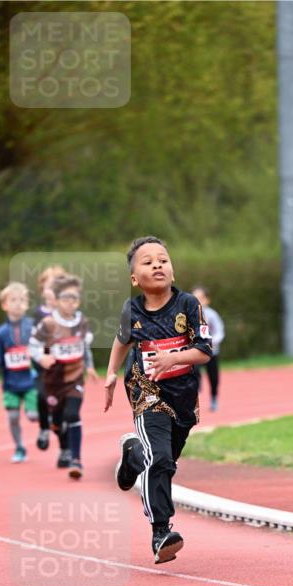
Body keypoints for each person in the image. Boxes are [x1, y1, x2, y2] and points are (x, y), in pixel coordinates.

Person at [104, 236, 213, 564]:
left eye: (163, 260)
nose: (157, 265)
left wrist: (173, 358)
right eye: (148, 262)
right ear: (134, 278)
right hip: (146, 392)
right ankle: (161, 532)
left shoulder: (189, 305)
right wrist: (111, 374)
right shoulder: (132, 310)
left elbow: (204, 351)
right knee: (161, 460)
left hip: (183, 396)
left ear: (173, 271)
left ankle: (132, 456)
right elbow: (122, 340)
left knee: (164, 460)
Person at [30, 274, 97, 479]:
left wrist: (90, 366)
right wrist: (41, 357)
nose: (70, 302)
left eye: (74, 298)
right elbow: (33, 345)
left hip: (75, 378)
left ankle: (76, 460)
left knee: (73, 415)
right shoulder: (48, 324)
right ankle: (56, 426)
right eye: (66, 298)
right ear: (56, 300)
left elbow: (84, 346)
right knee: (58, 421)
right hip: (53, 382)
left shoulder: (82, 321)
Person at [0, 282, 38, 463]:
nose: (18, 304)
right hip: (10, 383)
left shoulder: (33, 327)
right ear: (5, 305)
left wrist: (44, 356)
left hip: (31, 381)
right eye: (14, 300)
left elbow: (45, 346)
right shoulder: (1, 333)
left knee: (32, 416)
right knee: (13, 417)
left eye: (22, 300)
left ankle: (48, 421)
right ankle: (19, 448)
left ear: (27, 304)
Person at [31, 265, 67, 451]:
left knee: (63, 410)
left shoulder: (67, 312)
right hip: (43, 367)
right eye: (49, 287)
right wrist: (40, 356)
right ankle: (44, 428)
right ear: (42, 290)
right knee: (41, 396)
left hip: (63, 369)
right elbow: (34, 340)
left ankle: (65, 451)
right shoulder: (38, 314)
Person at [192, 285, 224, 411]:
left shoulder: (212, 315)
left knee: (213, 377)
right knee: (193, 371)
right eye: (195, 298)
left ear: (207, 300)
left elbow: (219, 332)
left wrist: (211, 342)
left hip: (211, 352)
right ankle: (196, 389)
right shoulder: (188, 315)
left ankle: (214, 397)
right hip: (195, 352)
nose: (198, 301)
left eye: (201, 298)